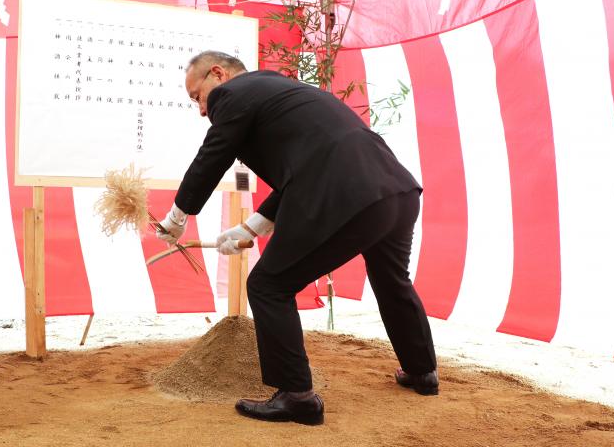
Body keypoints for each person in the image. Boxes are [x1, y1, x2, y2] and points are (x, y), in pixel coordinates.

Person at [157, 50, 438, 426]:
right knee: (391, 279)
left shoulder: (233, 94)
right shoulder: (281, 89)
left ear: (218, 74)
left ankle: (297, 395)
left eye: (197, 96)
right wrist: (249, 229)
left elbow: (213, 154)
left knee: (269, 284)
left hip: (344, 193)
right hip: (394, 190)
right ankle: (422, 372)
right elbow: (307, 167)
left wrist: (178, 215)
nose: (202, 110)